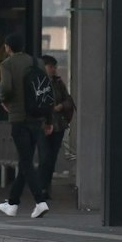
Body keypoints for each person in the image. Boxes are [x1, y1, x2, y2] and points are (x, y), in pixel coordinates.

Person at [0, 33, 52, 219]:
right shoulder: (37, 63)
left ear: (8, 47)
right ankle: (12, 203)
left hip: (19, 118)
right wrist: (48, 120)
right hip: (37, 117)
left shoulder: (7, 64)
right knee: (25, 160)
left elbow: (6, 88)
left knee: (26, 162)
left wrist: (4, 100)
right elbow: (46, 91)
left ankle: (40, 201)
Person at [36, 56, 76, 197]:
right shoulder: (36, 83)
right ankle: (41, 188)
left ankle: (46, 188)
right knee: (45, 157)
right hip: (42, 126)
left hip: (58, 125)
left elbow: (69, 100)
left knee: (52, 158)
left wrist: (60, 106)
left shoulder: (58, 83)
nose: (53, 69)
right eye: (51, 67)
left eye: (55, 67)